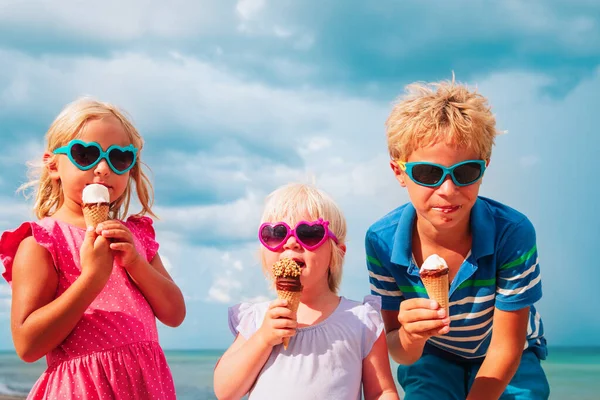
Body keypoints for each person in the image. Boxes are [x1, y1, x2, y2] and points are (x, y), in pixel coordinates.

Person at [365, 78, 550, 399]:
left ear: (484, 167)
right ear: (399, 172)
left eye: (465, 172)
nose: (447, 190)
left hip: (509, 353)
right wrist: (410, 335)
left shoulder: (512, 233)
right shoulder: (381, 241)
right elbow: (400, 350)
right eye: (427, 173)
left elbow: (506, 347)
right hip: (433, 354)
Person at [0, 97, 186, 399]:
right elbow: (28, 345)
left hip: (146, 386)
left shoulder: (135, 236)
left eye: (120, 158)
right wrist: (92, 279)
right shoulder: (42, 242)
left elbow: (175, 313)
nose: (102, 168)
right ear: (53, 165)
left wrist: (136, 263)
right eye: (85, 154)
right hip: (82, 389)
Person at [213, 183, 399, 400]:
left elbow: (381, 391)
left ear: (336, 254)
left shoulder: (361, 321)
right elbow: (225, 391)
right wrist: (263, 339)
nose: (291, 243)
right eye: (276, 234)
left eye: (309, 233)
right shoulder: (257, 321)